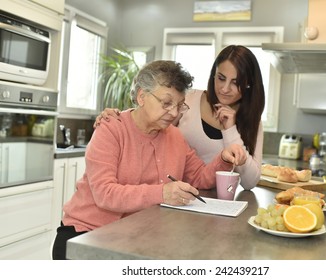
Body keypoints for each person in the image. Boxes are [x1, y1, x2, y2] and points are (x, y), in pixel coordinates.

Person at [52, 60, 247, 260]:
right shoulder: (111, 128)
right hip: (86, 235)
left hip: (134, 237)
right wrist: (162, 193)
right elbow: (105, 194)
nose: (173, 113)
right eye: (166, 103)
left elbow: (200, 178)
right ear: (142, 96)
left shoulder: (175, 137)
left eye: (179, 105)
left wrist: (223, 158)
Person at [95, 45, 265, 189]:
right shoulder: (189, 99)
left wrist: (230, 133)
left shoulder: (252, 121)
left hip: (197, 198)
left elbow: (247, 182)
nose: (225, 88)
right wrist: (118, 117)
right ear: (213, 74)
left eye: (235, 82)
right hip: (173, 197)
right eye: (221, 78)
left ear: (249, 84)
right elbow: (148, 114)